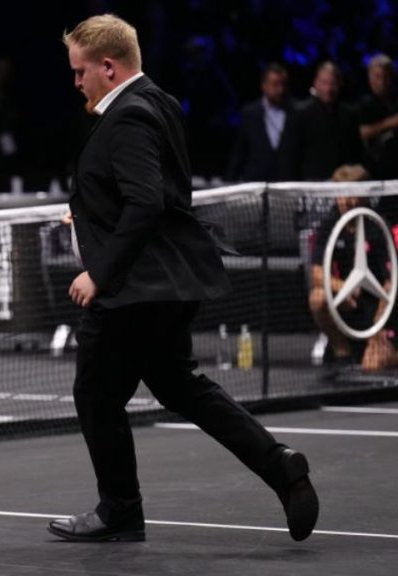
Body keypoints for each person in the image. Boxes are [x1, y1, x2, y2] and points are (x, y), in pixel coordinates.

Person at [50, 14, 319, 543]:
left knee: (95, 394)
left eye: (80, 71)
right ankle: (280, 465)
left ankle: (120, 510)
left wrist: (98, 274)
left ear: (108, 66)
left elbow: (147, 200)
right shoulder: (159, 101)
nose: (75, 81)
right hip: (168, 284)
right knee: (181, 386)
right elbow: (155, 195)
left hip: (134, 289)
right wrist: (87, 217)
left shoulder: (126, 116)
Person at [308, 196, 398, 371]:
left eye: (352, 196)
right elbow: (316, 274)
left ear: (363, 197)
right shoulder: (330, 223)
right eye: (341, 197)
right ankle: (343, 354)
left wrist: (377, 330)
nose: (346, 202)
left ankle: (388, 352)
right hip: (349, 304)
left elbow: (390, 283)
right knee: (318, 297)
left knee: (372, 366)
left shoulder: (377, 224)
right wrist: (342, 287)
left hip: (378, 308)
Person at [288, 61, 363, 181]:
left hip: (344, 183)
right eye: (324, 83)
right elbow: (291, 156)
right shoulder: (301, 114)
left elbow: (357, 152)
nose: (328, 89)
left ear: (339, 84)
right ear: (315, 83)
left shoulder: (349, 114)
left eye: (332, 83)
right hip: (311, 184)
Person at [226, 63, 296, 182]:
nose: (280, 89)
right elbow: (239, 152)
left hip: (285, 184)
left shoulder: (296, 112)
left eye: (283, 84)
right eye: (275, 85)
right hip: (256, 184)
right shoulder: (250, 113)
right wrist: (230, 180)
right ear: (263, 85)